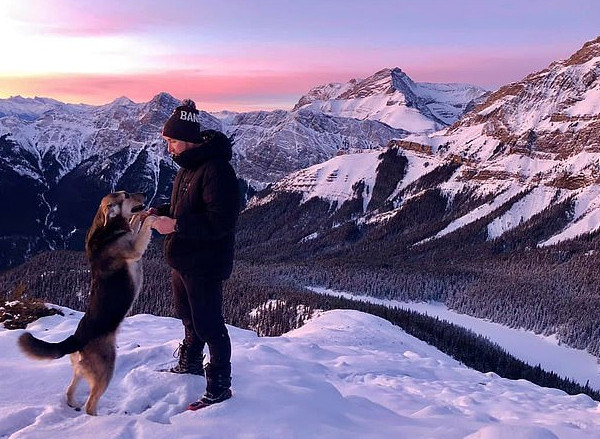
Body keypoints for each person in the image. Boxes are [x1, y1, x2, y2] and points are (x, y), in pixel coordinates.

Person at [149, 98, 240, 410]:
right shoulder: (188, 168)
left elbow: (222, 221)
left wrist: (174, 224)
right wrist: (159, 211)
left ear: (187, 140)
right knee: (189, 319)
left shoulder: (217, 170)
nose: (169, 147)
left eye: (172, 141)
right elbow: (184, 208)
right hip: (183, 260)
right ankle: (189, 364)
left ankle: (219, 387)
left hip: (204, 263)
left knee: (210, 325)